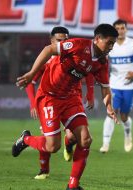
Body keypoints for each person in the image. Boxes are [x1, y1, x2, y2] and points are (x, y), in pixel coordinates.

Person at [12, 24, 119, 190]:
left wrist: (109, 107)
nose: (111, 47)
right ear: (97, 39)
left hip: (70, 99)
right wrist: (32, 73)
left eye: (113, 44)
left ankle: (73, 186)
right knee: (52, 146)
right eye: (109, 43)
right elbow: (49, 49)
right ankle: (26, 139)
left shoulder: (101, 62)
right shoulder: (78, 45)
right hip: (49, 97)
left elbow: (105, 88)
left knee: (85, 139)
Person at [24, 26, 95, 180]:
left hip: (71, 99)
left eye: (65, 40)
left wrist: (90, 93)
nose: (63, 43)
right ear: (52, 41)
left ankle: (69, 145)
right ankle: (43, 168)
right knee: (50, 142)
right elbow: (30, 82)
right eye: (59, 40)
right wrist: (33, 103)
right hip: (50, 101)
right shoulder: (47, 60)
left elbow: (89, 71)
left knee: (78, 136)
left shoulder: (76, 53)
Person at [100, 19, 133, 153]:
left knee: (124, 116)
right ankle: (105, 144)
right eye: (118, 29)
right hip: (113, 85)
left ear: (126, 29)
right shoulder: (109, 45)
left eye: (122, 28)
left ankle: (127, 135)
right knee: (111, 113)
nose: (120, 31)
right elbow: (102, 61)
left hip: (129, 86)